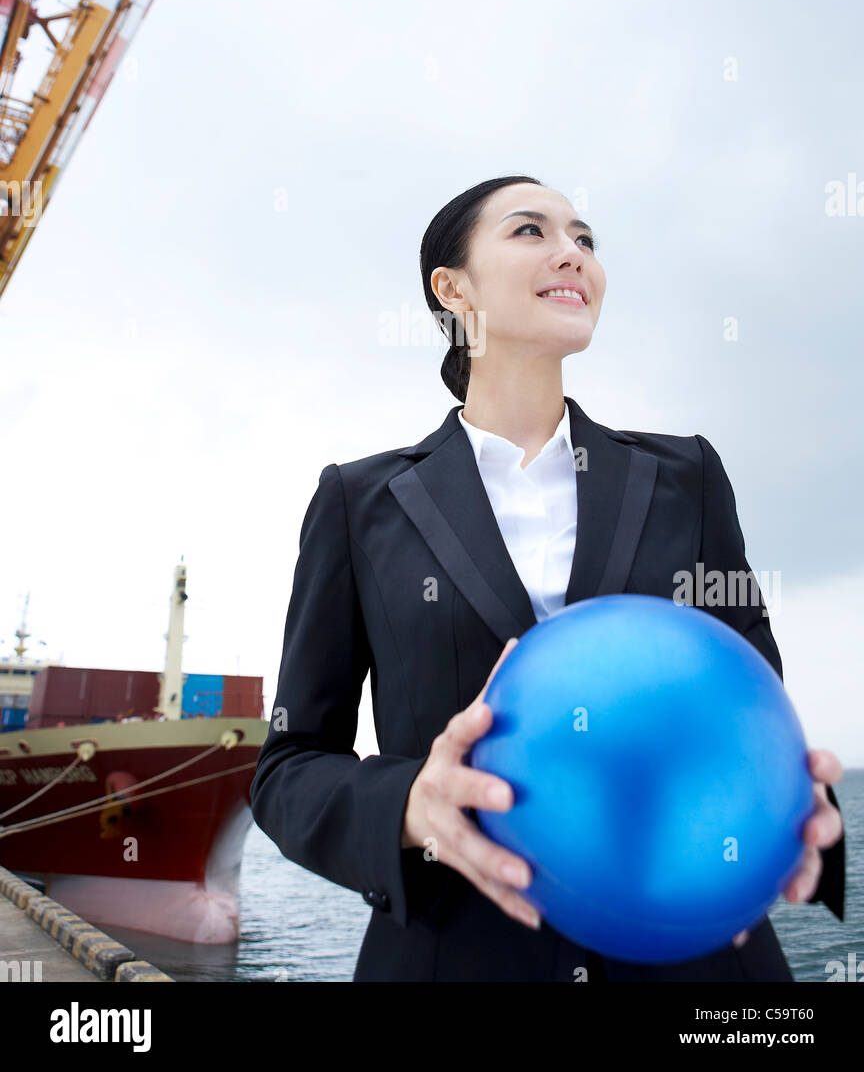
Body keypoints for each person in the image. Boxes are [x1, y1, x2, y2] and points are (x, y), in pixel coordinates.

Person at [250, 174, 845, 983]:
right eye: (532, 231)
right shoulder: (360, 503)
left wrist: (796, 802)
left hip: (702, 967)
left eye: (586, 239)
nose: (573, 253)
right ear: (452, 289)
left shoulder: (689, 475)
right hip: (457, 957)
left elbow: (753, 697)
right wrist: (407, 807)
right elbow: (290, 766)